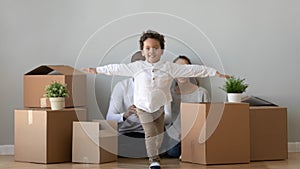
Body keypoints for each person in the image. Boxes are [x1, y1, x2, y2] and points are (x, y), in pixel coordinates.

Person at [82, 30, 229, 169]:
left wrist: (214, 73)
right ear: (143, 51)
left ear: (162, 50)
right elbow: (116, 68)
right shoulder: (136, 67)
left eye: (155, 48)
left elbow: (193, 70)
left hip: (159, 108)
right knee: (150, 133)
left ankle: (154, 152)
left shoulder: (169, 67)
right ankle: (154, 161)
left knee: (158, 135)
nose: (151, 51)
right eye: (147, 48)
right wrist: (97, 70)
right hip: (142, 108)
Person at [106, 51, 171, 158]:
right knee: (118, 145)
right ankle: (150, 152)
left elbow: (168, 118)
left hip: (153, 132)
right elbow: (109, 118)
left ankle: (150, 151)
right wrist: (126, 115)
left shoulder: (160, 85)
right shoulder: (121, 86)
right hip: (130, 133)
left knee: (160, 141)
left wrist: (153, 114)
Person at [165, 55, 211, 158]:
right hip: (176, 135)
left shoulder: (202, 93)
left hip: (196, 135)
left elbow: (206, 119)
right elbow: (168, 120)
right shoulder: (169, 94)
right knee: (173, 152)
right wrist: (178, 135)